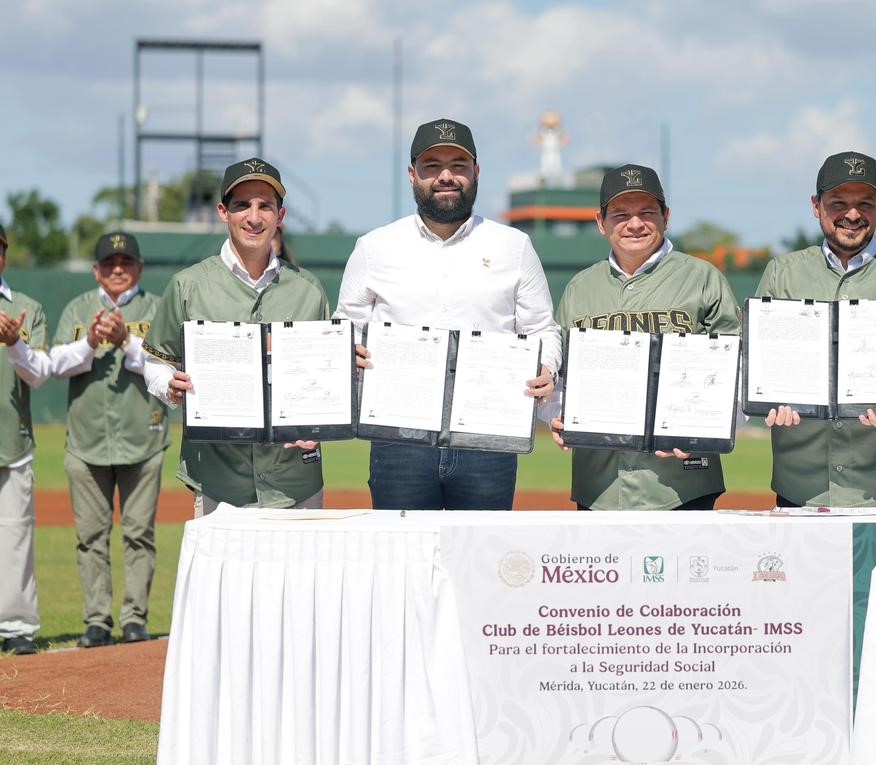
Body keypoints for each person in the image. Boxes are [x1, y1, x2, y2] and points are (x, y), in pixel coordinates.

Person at [335, 119, 561, 510]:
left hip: (488, 438)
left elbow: (542, 328)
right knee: (404, 562)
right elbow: (345, 327)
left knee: (482, 563)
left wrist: (548, 366)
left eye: (458, 165)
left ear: (476, 172)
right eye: (432, 165)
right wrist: (347, 349)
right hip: (398, 438)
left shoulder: (513, 246)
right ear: (412, 174)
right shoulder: (375, 247)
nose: (446, 176)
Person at [755, 151, 876, 509]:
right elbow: (757, 361)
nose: (852, 214)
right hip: (803, 477)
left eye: (865, 203)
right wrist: (772, 396)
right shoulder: (782, 273)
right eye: (838, 203)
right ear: (816, 205)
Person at [143, 158, 330, 515]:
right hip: (218, 480)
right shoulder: (188, 285)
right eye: (242, 205)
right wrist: (169, 387)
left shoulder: (309, 290)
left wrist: (320, 422)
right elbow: (155, 361)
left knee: (295, 575)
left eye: (265, 206)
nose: (254, 217)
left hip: (295, 484)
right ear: (222, 212)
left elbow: (324, 378)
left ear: (281, 215)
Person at [548, 164, 741, 510]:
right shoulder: (580, 288)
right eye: (621, 214)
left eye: (646, 213)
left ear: (666, 216)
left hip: (681, 485)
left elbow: (736, 370)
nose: (634, 224)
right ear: (600, 222)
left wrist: (704, 426)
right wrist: (556, 415)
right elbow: (557, 375)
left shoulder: (702, 278)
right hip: (600, 485)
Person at [47, 232, 168, 646]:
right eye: (110, 262)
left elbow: (166, 365)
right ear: (97, 270)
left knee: (140, 534)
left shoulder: (155, 308)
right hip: (86, 442)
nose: (118, 268)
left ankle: (134, 619)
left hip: (143, 438)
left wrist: (126, 341)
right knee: (90, 537)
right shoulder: (79, 309)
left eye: (126, 261)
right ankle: (97, 620)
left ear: (139, 267)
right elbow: (55, 365)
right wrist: (91, 341)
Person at [0, 223, 49, 655]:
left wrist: (16, 343)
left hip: (12, 441)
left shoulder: (27, 308)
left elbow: (36, 376)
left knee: (15, 535)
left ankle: (16, 626)